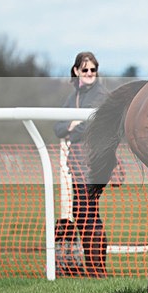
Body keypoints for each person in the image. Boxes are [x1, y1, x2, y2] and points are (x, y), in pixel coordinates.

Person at [54, 51, 110, 277]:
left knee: (89, 213)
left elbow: (87, 127)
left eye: (93, 70)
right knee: (82, 212)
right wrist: (71, 126)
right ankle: (92, 268)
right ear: (76, 71)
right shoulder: (72, 97)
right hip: (77, 164)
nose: (89, 74)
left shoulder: (100, 94)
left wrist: (73, 127)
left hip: (94, 164)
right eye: (85, 70)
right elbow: (58, 128)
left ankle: (98, 270)